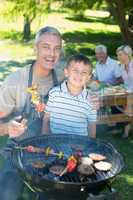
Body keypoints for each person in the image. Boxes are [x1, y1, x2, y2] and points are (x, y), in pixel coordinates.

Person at [0, 26, 64, 200]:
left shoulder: (64, 78)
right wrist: (7, 128)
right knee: (7, 194)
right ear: (35, 48)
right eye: (46, 47)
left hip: (54, 151)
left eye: (56, 48)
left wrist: (91, 100)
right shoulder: (15, 81)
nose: (52, 53)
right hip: (19, 150)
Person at [42, 54, 97, 138]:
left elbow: (92, 125)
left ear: (88, 77)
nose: (79, 75)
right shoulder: (54, 93)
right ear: (66, 72)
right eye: (75, 71)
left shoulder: (91, 100)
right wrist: (44, 138)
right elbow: (46, 118)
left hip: (79, 146)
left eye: (84, 72)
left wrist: (89, 145)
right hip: (56, 144)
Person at [116, 45, 133, 138]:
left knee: (127, 103)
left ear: (127, 55)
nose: (118, 57)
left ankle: (126, 129)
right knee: (120, 102)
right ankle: (126, 126)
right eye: (118, 55)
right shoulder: (121, 66)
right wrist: (121, 88)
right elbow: (126, 83)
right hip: (127, 93)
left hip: (130, 93)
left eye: (120, 55)